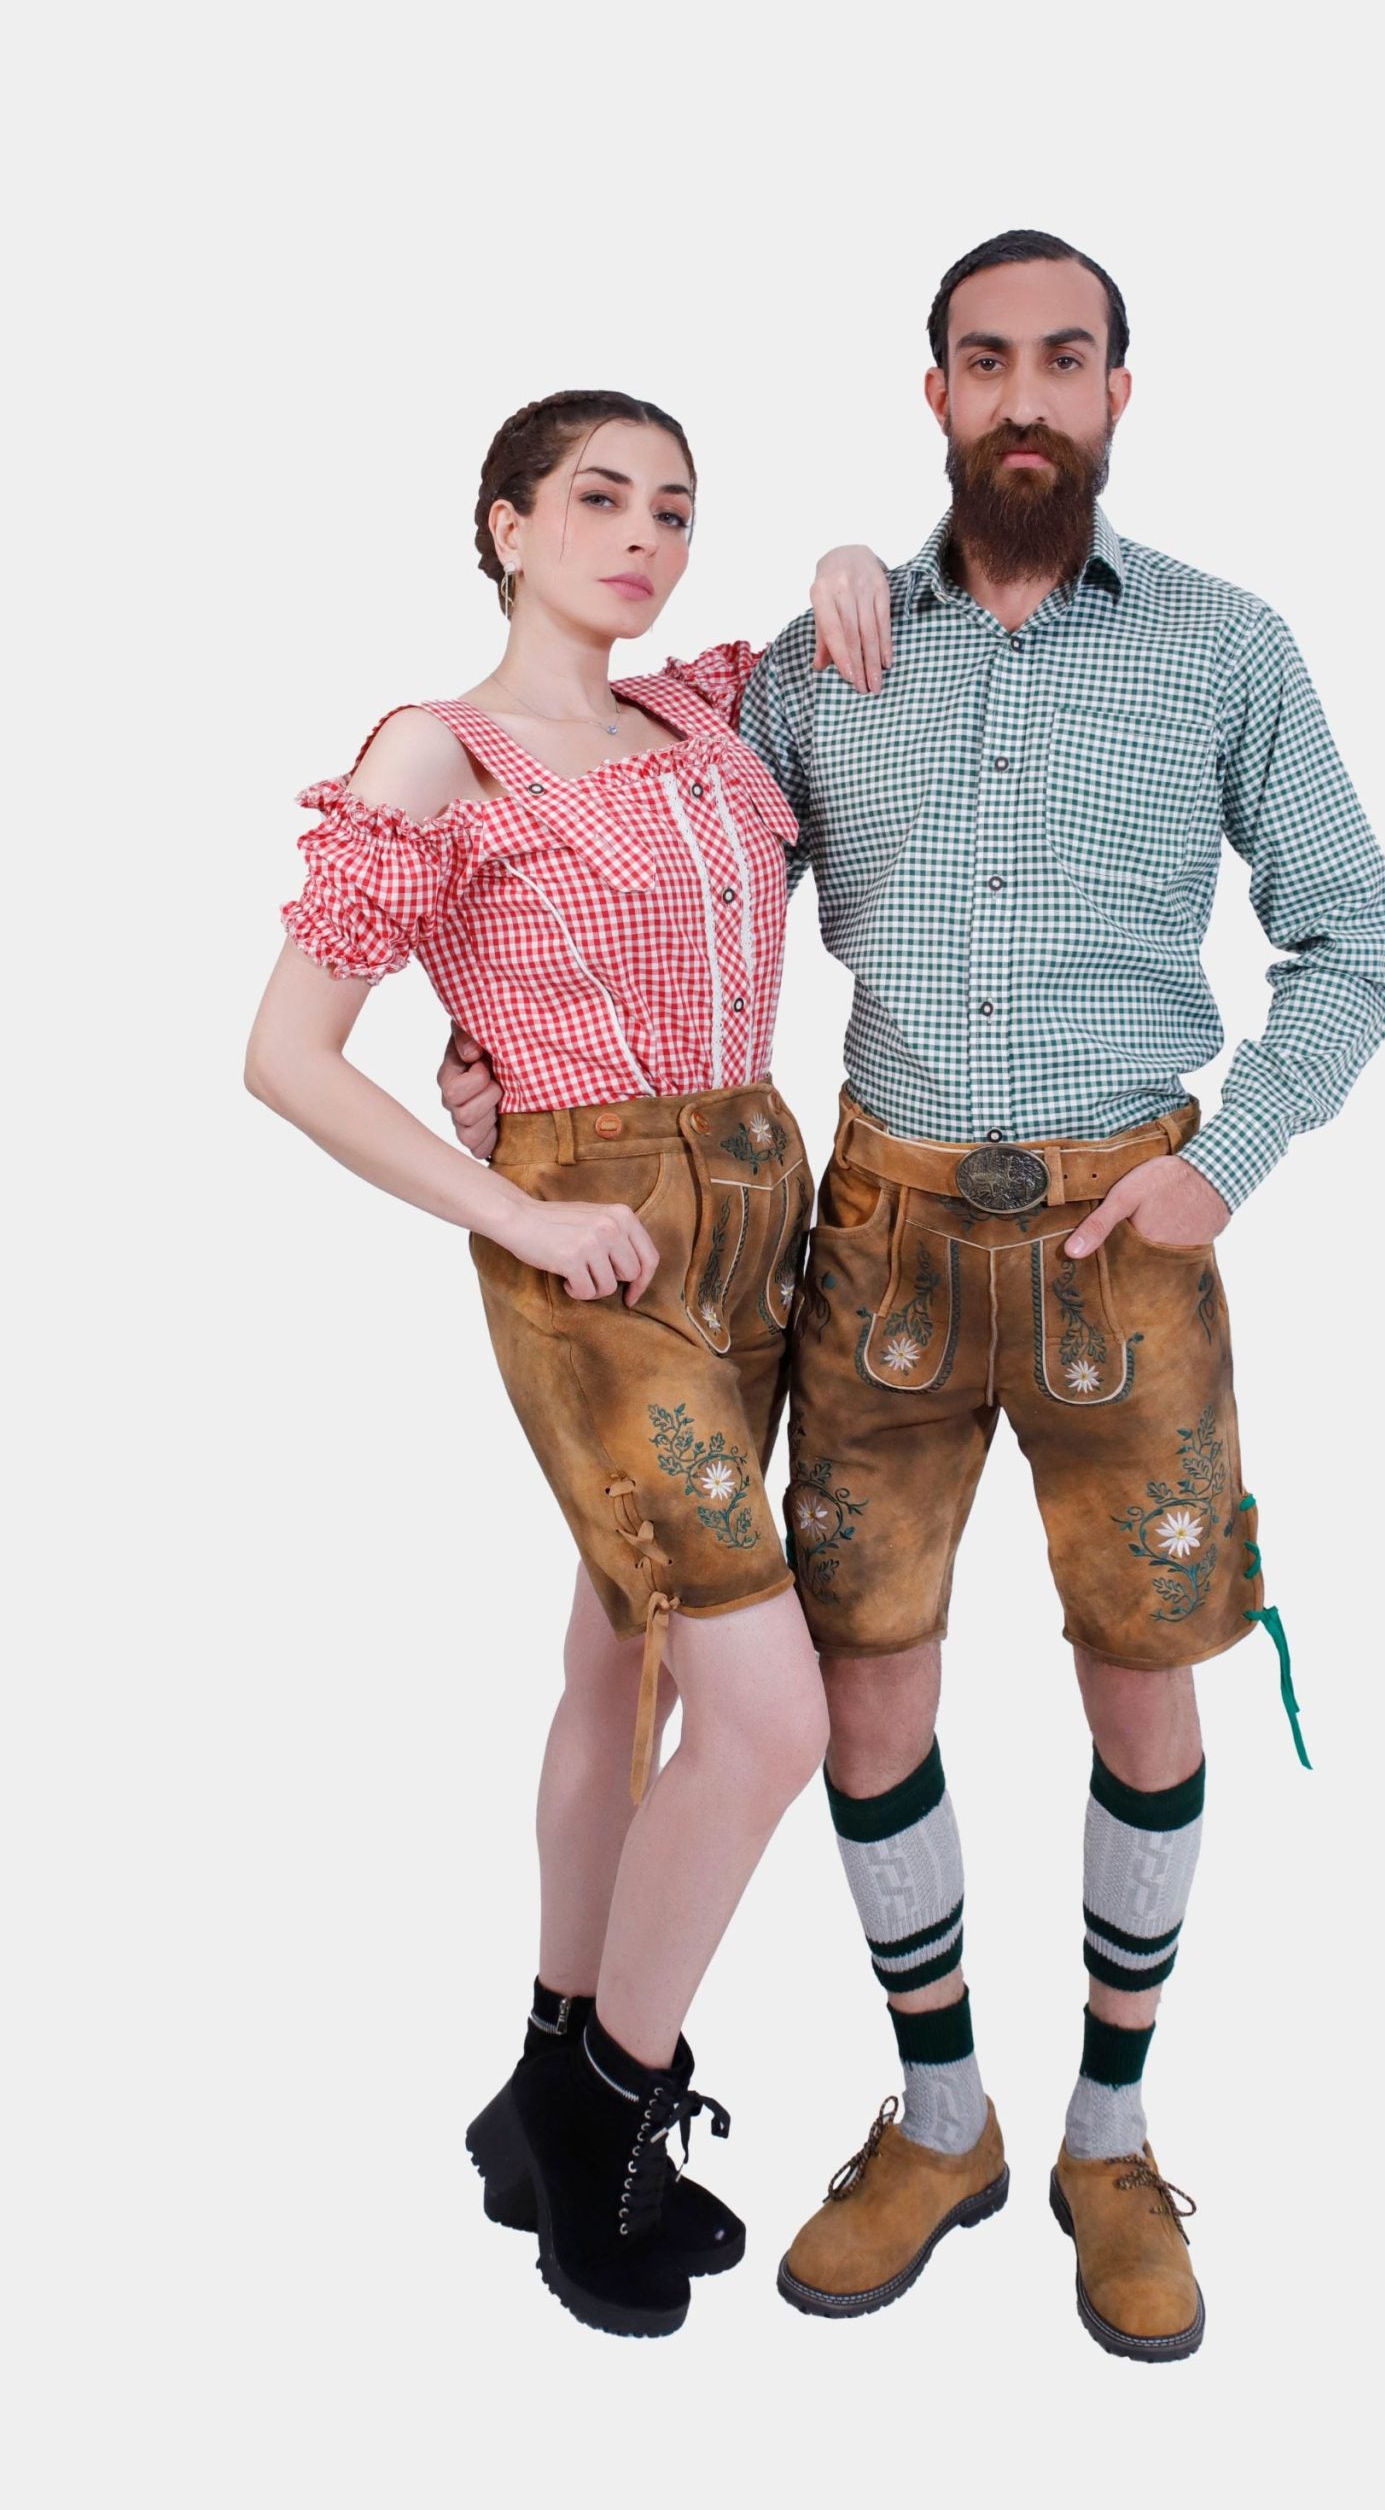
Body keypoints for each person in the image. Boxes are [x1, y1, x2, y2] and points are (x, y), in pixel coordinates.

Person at [444, 234, 1385, 2363]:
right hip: (865, 1245)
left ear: (1119, 392)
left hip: (1121, 1248)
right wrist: (502, 1041)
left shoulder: (1229, 649)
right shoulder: (814, 658)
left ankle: (1110, 2140)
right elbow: (662, 889)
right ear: (936, 394)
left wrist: (1217, 1164)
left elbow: (1352, 938)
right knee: (859, 1695)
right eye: (988, 361)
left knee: (1143, 1689)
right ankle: (941, 2116)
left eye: (1066, 356)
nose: (1025, 393)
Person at [244, 388, 891, 2340]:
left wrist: (851, 565)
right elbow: (285, 1054)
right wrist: (513, 1209)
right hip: (587, 1244)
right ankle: (593, 2104)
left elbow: (850, 628)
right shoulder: (435, 749)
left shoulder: (696, 713)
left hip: (752, 1211)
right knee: (765, 1711)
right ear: (506, 521)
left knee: (616, 1657)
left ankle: (536, 2079)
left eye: (672, 506)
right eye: (597, 496)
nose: (640, 532)